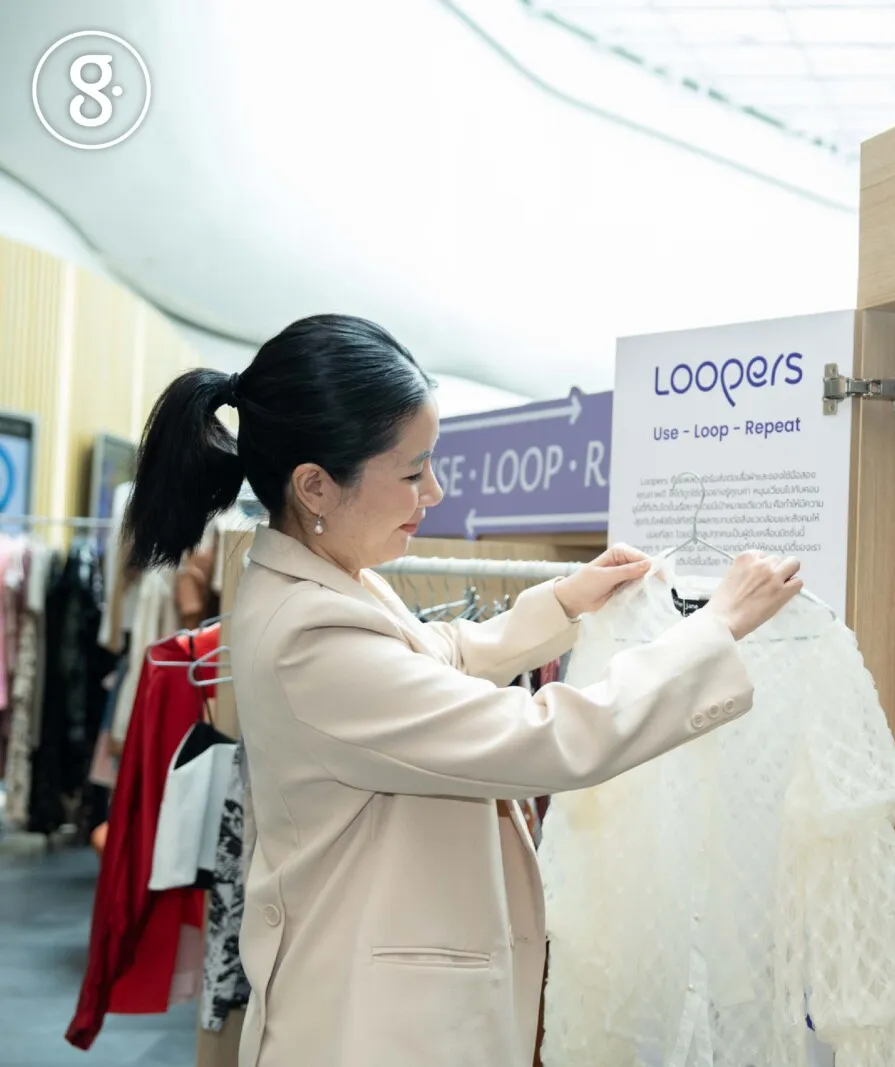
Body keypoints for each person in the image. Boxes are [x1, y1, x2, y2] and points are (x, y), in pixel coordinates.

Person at [120, 314, 803, 1067]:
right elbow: (539, 738)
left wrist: (563, 602)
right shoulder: (308, 635)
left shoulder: (326, 579)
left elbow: (434, 655)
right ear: (315, 485)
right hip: (367, 1030)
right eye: (413, 472)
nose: (435, 491)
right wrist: (713, 631)